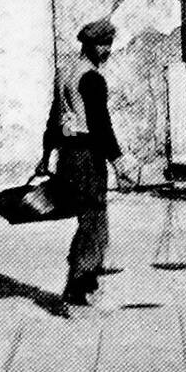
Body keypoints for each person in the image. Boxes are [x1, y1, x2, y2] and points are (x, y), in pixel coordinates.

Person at [37, 16, 134, 315]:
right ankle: (77, 293)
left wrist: (47, 154)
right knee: (93, 223)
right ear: (90, 46)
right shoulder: (92, 78)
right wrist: (119, 161)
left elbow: (55, 119)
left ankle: (84, 287)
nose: (107, 51)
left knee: (89, 221)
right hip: (87, 158)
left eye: (109, 45)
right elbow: (100, 125)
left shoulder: (64, 72)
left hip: (68, 155)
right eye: (103, 45)